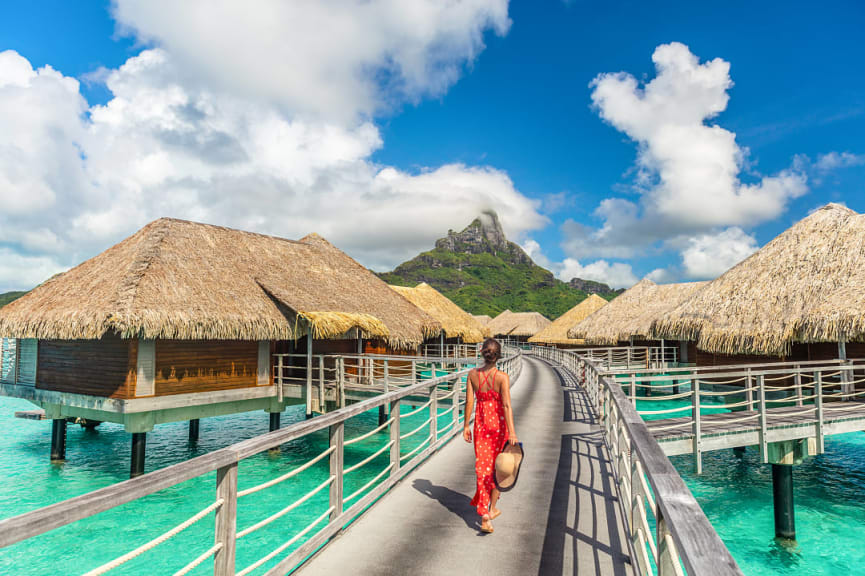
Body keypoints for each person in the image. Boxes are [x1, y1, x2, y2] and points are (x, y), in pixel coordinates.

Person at [463, 337, 518, 533]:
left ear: (482, 353)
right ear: (498, 356)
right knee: (498, 467)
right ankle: (488, 511)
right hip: (500, 427)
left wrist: (465, 426)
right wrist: (512, 431)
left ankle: (489, 509)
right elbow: (506, 405)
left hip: (481, 426)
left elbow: (469, 402)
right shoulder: (502, 377)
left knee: (483, 467)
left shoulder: (472, 375)